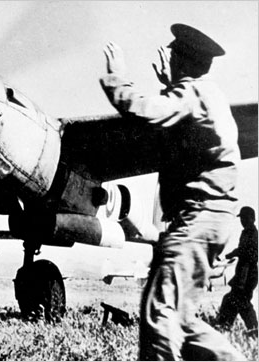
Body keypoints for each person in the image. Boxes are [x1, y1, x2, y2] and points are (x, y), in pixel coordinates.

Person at [101, 24, 245, 360]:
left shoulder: (192, 94)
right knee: (181, 320)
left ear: (182, 60)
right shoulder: (206, 95)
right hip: (209, 220)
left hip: (197, 218)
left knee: (160, 315)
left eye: (173, 53)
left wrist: (116, 77)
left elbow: (143, 109)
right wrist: (173, 83)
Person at [218, 206, 258, 332]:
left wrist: (230, 255)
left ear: (252, 218)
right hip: (245, 274)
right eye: (242, 218)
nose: (242, 220)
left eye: (245, 218)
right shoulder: (249, 232)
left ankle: (253, 330)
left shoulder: (251, 232)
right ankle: (225, 326)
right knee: (235, 301)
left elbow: (245, 252)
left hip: (246, 274)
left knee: (240, 302)